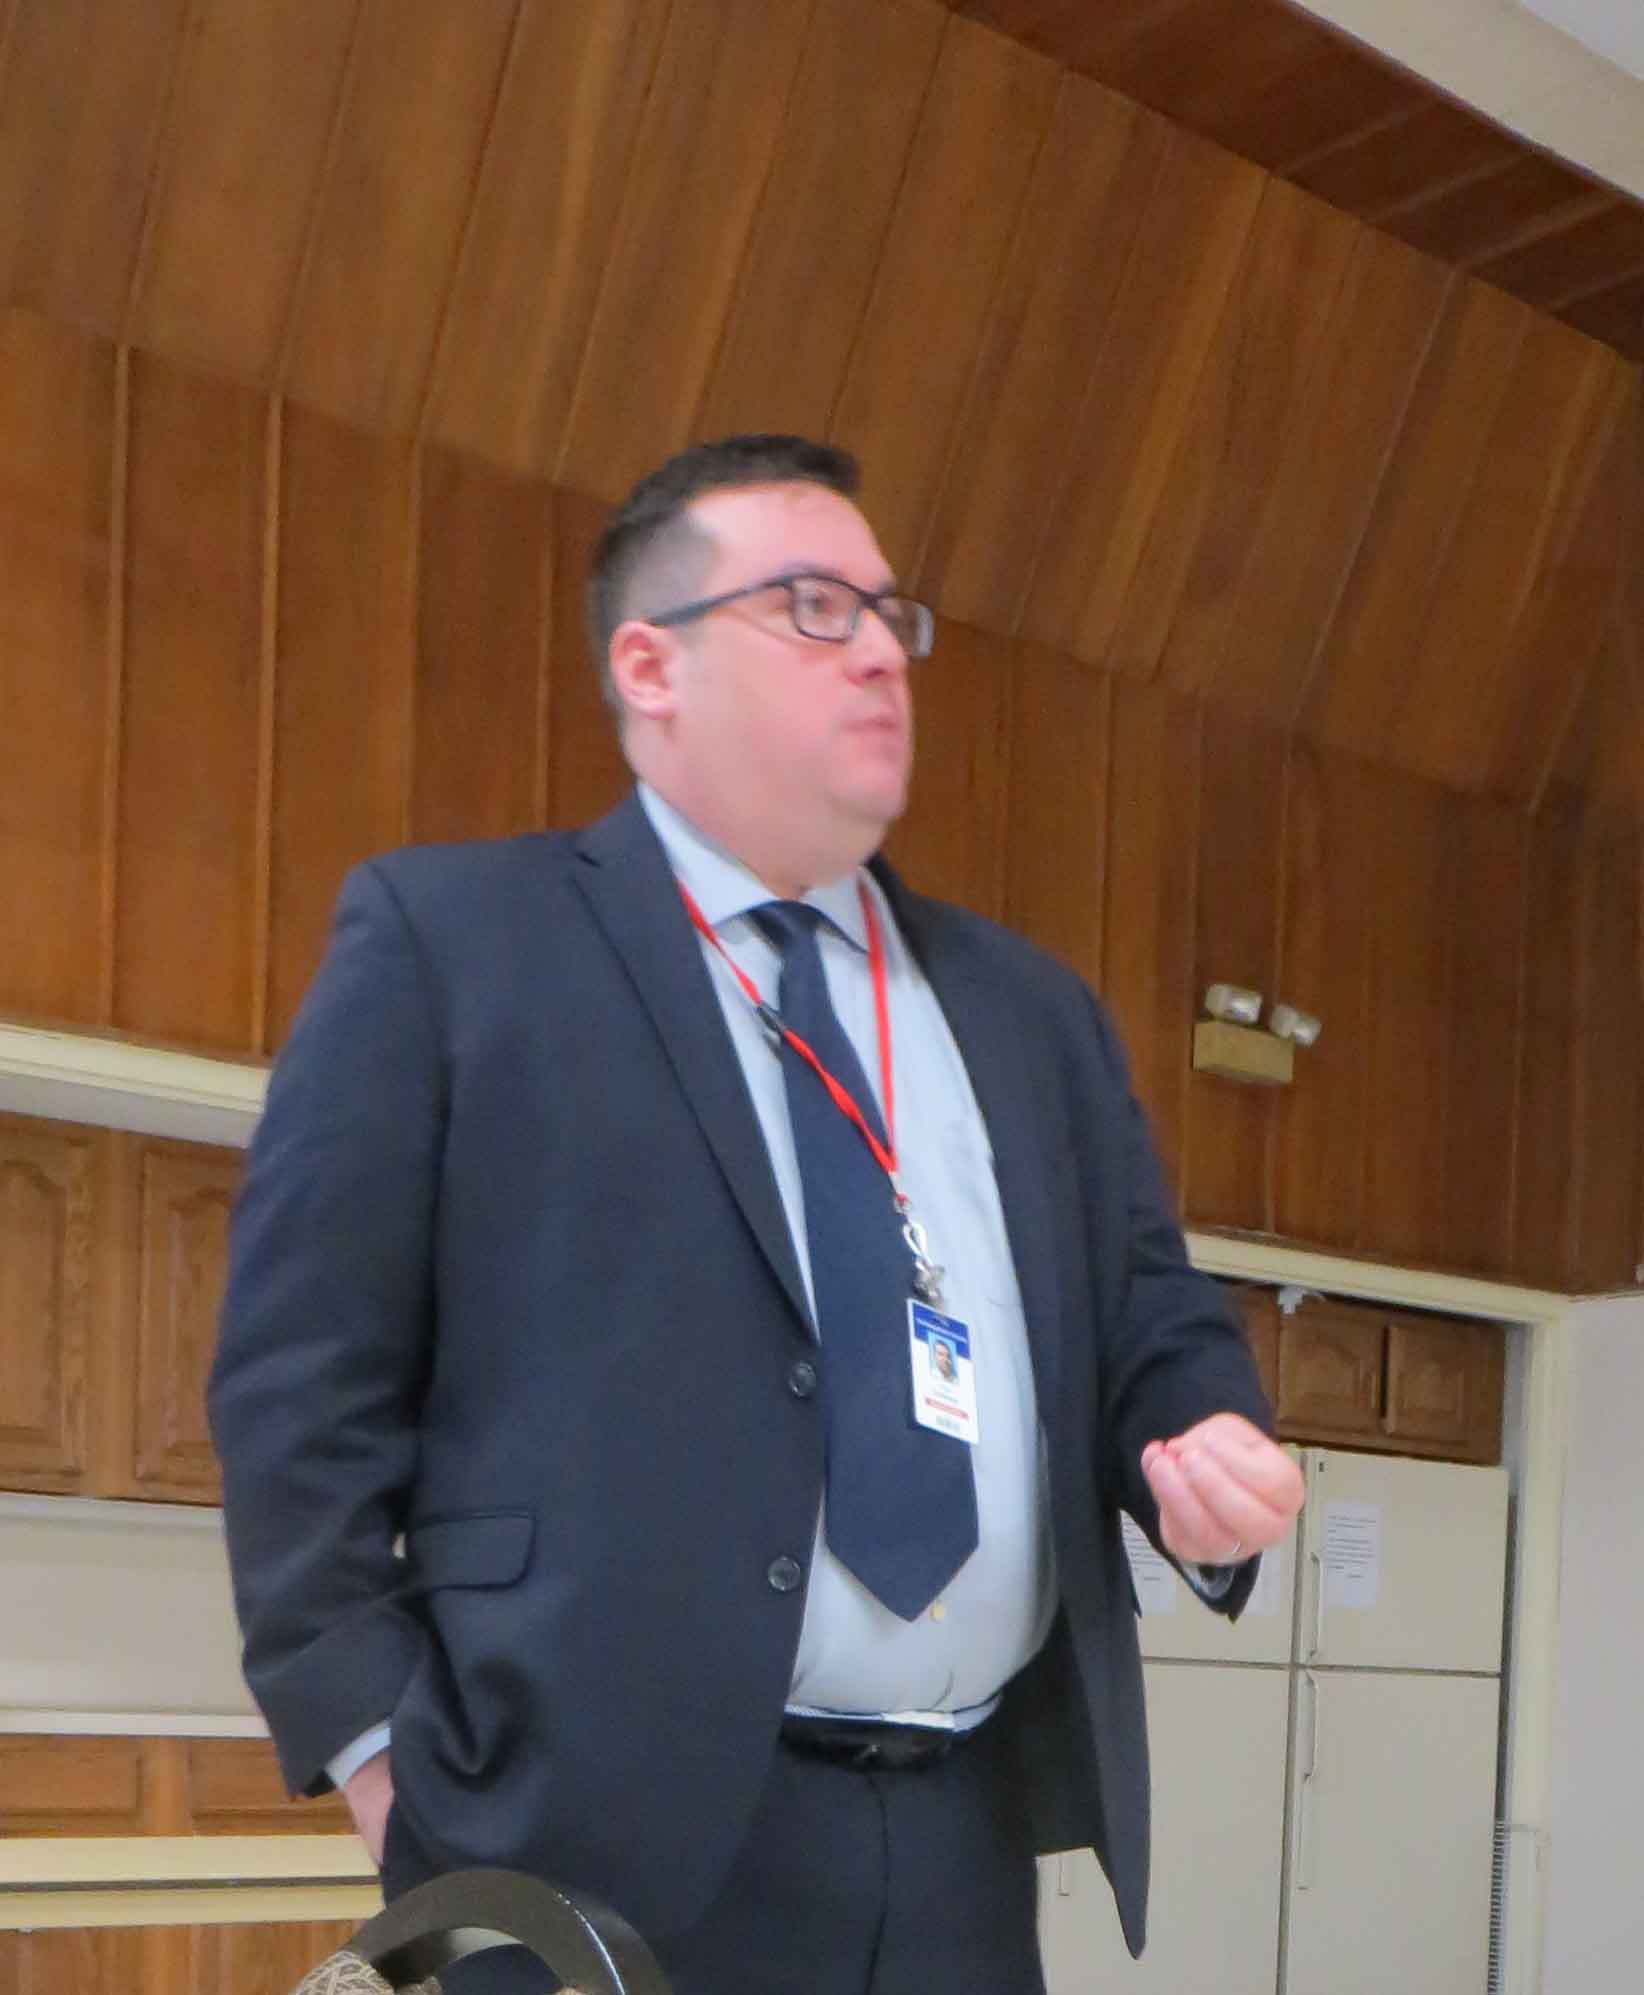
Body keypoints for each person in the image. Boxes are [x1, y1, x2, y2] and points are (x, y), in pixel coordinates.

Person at [209, 433, 1304, 1995]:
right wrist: (385, 1763)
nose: (881, 652)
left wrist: (1206, 1435)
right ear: (650, 665)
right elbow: (300, 1386)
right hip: (577, 1842)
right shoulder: (455, 945)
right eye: (813, 608)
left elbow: (1153, 1316)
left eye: (891, 615)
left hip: (966, 1842)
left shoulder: (1031, 1014)